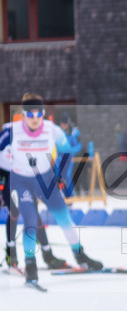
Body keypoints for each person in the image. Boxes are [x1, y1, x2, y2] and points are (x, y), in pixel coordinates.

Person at [0, 93, 103, 283]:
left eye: (38, 114)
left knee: (63, 215)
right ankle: (30, 263)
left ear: (43, 114)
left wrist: (60, 176)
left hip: (44, 178)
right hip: (20, 180)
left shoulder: (52, 130)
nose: (34, 119)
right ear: (23, 115)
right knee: (30, 218)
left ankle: (80, 255)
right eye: (29, 115)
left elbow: (65, 152)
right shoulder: (10, 131)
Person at [57, 113, 82, 196]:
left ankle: (70, 196)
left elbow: (78, 146)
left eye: (65, 124)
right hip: (59, 158)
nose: (63, 125)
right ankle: (63, 194)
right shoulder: (58, 133)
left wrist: (70, 151)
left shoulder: (73, 133)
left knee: (67, 175)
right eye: (62, 124)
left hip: (69, 158)